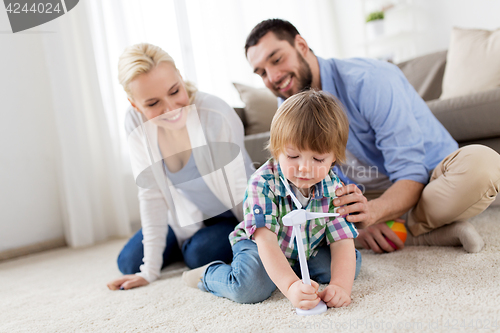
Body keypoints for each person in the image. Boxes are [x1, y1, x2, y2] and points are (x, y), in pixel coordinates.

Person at [243, 19, 500, 254]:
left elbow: (411, 173)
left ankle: (402, 228)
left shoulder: (369, 80)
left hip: (428, 183)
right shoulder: (288, 105)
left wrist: (372, 213)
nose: (273, 78)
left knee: (483, 166)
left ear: (301, 45)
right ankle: (423, 230)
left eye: (276, 60)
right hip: (366, 194)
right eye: (262, 73)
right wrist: (356, 215)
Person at [183, 90, 362, 310]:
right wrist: (290, 287)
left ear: (334, 157)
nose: (304, 168)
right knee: (250, 287)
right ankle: (208, 276)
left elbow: (341, 241)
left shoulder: (334, 188)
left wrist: (340, 287)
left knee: (351, 262)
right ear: (277, 151)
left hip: (305, 248)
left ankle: (289, 271)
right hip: (261, 246)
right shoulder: (262, 183)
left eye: (318, 158)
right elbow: (266, 242)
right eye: (293, 156)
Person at [107, 43, 254, 290]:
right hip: (185, 215)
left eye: (175, 91)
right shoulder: (135, 123)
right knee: (129, 262)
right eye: (153, 103)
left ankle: (191, 245)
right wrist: (149, 271)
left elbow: (239, 191)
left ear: (181, 79)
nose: (171, 109)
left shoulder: (214, 114)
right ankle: (185, 242)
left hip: (232, 214)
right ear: (135, 105)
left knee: (199, 255)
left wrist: (260, 243)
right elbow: (151, 192)